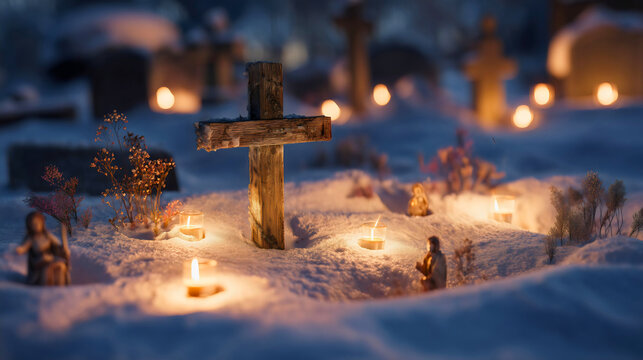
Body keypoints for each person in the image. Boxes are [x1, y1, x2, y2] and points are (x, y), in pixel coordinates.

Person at [15, 212, 70, 286]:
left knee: (60, 265)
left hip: (50, 258)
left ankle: (60, 285)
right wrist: (20, 249)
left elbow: (56, 246)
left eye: (38, 223)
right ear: (29, 225)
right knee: (46, 268)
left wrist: (63, 250)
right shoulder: (31, 238)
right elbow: (24, 247)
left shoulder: (47, 236)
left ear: (42, 223)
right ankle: (44, 287)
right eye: (33, 223)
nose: (36, 225)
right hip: (38, 260)